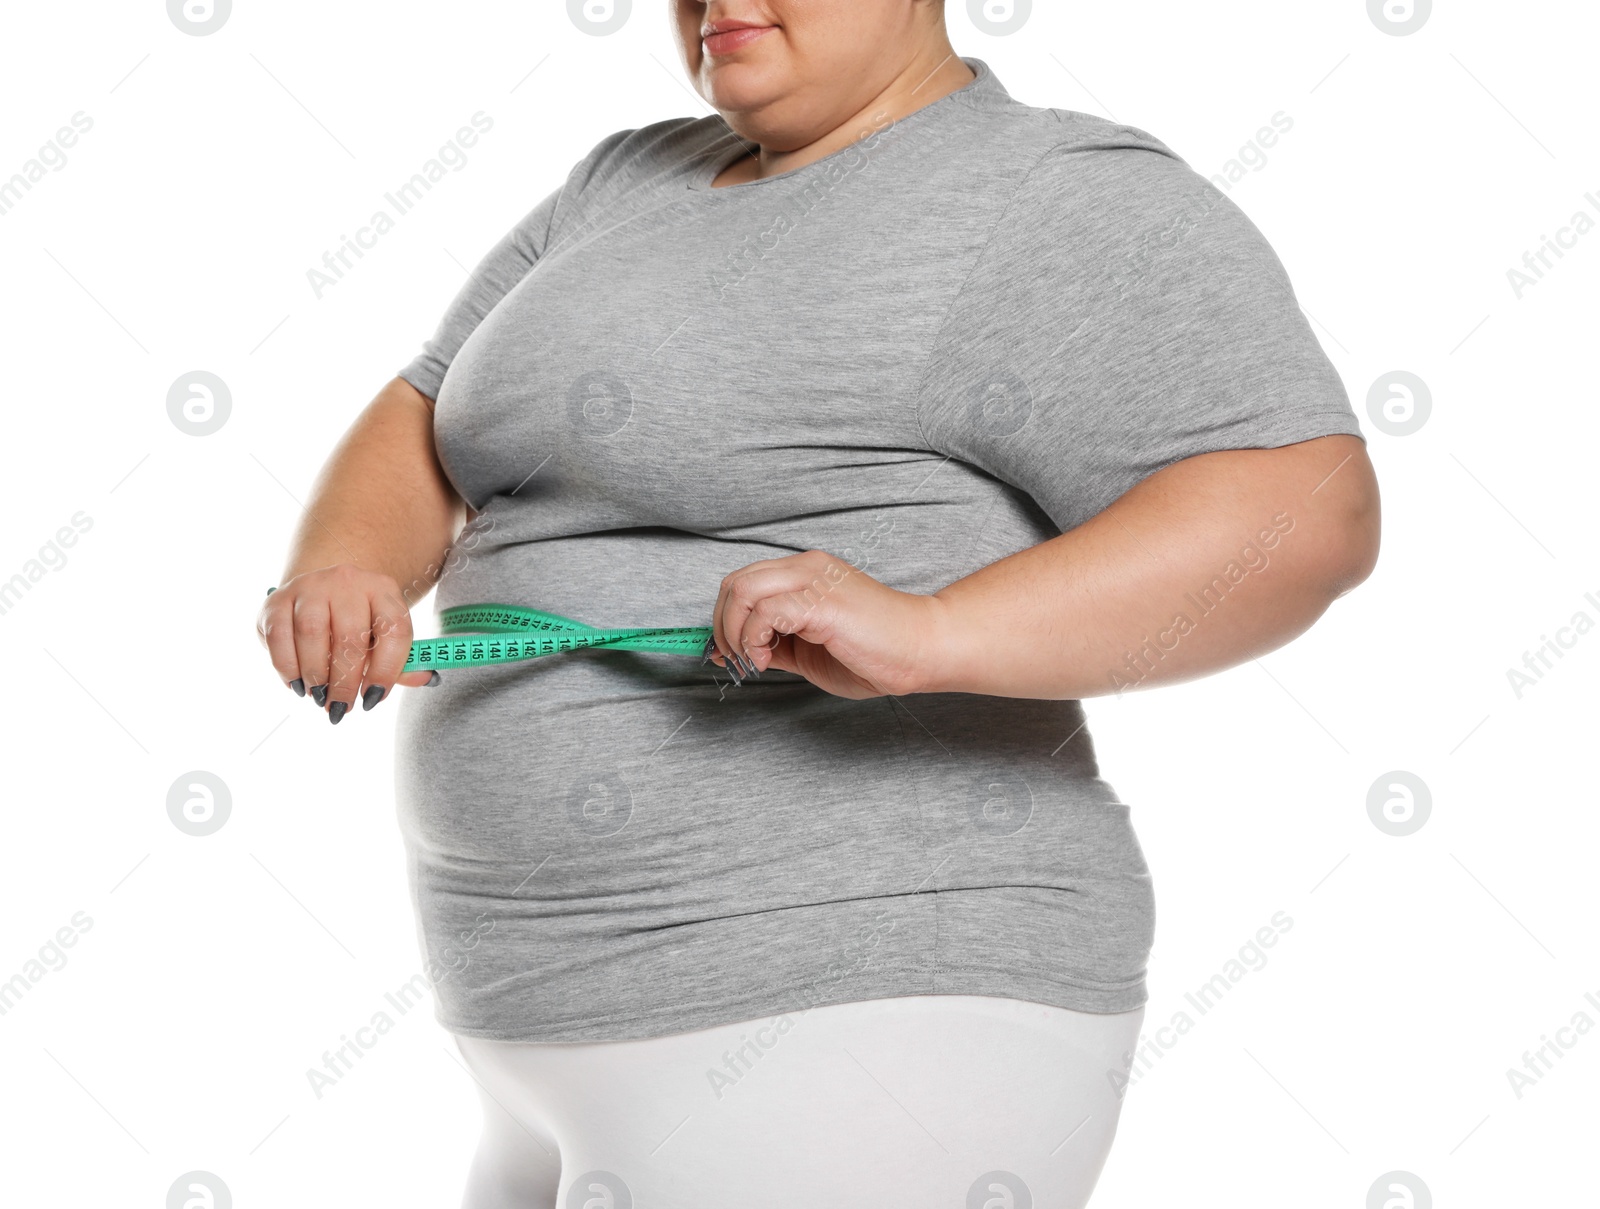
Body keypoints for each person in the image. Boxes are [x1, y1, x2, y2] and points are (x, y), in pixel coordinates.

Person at [255, 2, 1381, 1205]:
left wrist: (938, 632)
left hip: (861, 1008)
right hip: (533, 1027)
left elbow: (1307, 513)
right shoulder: (629, 177)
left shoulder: (1047, 192)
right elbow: (426, 415)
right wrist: (349, 564)